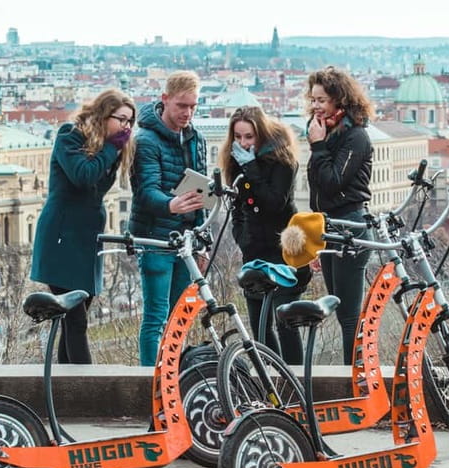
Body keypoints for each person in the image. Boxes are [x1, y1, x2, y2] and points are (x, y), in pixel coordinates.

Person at [30, 88, 135, 364]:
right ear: (103, 114)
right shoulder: (70, 136)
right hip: (62, 239)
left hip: (87, 242)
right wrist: (112, 148)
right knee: (76, 321)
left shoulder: (108, 150)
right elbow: (83, 176)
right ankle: (87, 389)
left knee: (73, 320)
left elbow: (96, 190)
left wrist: (112, 150)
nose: (126, 127)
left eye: (129, 122)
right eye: (121, 119)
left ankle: (67, 390)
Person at [219, 106, 311, 365]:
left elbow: (274, 203)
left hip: (283, 249)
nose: (243, 143)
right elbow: (237, 205)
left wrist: (251, 169)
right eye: (238, 137)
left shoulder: (282, 159)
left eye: (249, 137)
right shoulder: (235, 161)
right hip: (254, 249)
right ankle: (270, 381)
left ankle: (293, 380)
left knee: (285, 323)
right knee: (259, 326)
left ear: (261, 134)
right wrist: (241, 236)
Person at [131, 71, 207, 366]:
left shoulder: (195, 138)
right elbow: (146, 192)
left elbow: (199, 192)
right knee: (156, 318)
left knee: (179, 319)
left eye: (193, 107)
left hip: (186, 241)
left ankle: (173, 377)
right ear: (165, 100)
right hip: (156, 238)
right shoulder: (147, 140)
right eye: (181, 106)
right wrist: (171, 205)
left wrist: (202, 241)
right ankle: (149, 382)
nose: (187, 113)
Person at [305, 66, 375, 366]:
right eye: (314, 99)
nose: (316, 106)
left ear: (340, 99)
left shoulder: (355, 136)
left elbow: (333, 181)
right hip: (330, 229)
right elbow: (318, 191)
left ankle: (354, 380)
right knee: (340, 308)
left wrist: (318, 146)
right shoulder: (328, 131)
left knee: (349, 316)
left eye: (322, 100)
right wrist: (316, 239)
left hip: (351, 229)